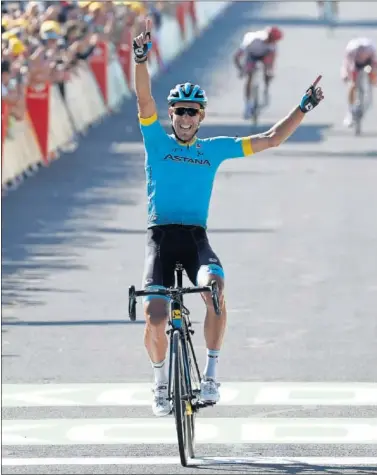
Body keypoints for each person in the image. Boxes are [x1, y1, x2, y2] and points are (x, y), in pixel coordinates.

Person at [133, 19, 324, 417]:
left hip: (195, 237)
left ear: (202, 117)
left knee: (215, 288)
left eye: (193, 112)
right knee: (154, 314)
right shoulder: (155, 139)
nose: (186, 118)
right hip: (161, 239)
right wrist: (140, 59)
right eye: (180, 111)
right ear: (173, 114)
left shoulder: (215, 148)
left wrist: (302, 107)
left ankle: (212, 376)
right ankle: (159, 384)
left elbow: (271, 139)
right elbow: (143, 100)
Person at [233, 26, 283, 119]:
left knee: (268, 71)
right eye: (271, 39)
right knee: (250, 77)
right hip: (251, 55)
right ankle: (248, 105)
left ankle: (266, 88)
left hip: (264, 55)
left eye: (274, 41)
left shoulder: (272, 45)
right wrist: (241, 69)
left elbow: (272, 60)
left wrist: (269, 72)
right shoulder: (252, 40)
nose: (272, 42)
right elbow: (237, 57)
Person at [341, 37, 377, 127]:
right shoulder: (351, 50)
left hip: (368, 63)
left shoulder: (371, 49)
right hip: (355, 63)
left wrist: (374, 78)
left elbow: (375, 64)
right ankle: (350, 112)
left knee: (372, 77)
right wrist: (345, 74)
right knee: (352, 84)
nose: (362, 53)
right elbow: (346, 64)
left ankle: (365, 104)